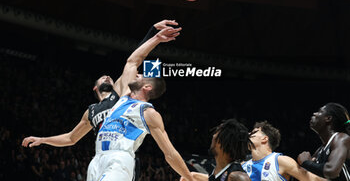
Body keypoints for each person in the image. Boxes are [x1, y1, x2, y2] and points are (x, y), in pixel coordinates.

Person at [21, 19, 178, 147]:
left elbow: (133, 61)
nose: (107, 77)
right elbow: (71, 138)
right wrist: (43, 140)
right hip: (103, 156)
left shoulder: (120, 94)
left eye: (109, 77)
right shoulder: (91, 111)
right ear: (95, 87)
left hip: (123, 154)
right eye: (103, 78)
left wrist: (152, 32)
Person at [88, 25, 194, 181]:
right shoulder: (124, 96)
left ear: (147, 87)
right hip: (97, 159)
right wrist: (156, 38)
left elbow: (170, 153)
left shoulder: (148, 113)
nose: (137, 74)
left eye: (142, 75)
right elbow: (132, 62)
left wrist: (189, 178)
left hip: (119, 160)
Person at [242, 121, 326, 181]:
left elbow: (312, 179)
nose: (249, 134)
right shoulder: (242, 165)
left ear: (264, 138)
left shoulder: (280, 161)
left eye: (253, 133)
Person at [181, 119, 252, 181]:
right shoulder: (218, 172)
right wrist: (193, 176)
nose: (213, 136)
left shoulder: (236, 176)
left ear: (221, 142)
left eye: (216, 133)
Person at [297, 102, 350, 181]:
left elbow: (331, 171)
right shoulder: (319, 151)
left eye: (319, 112)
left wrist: (306, 162)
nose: (314, 113)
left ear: (328, 118)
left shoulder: (341, 138)